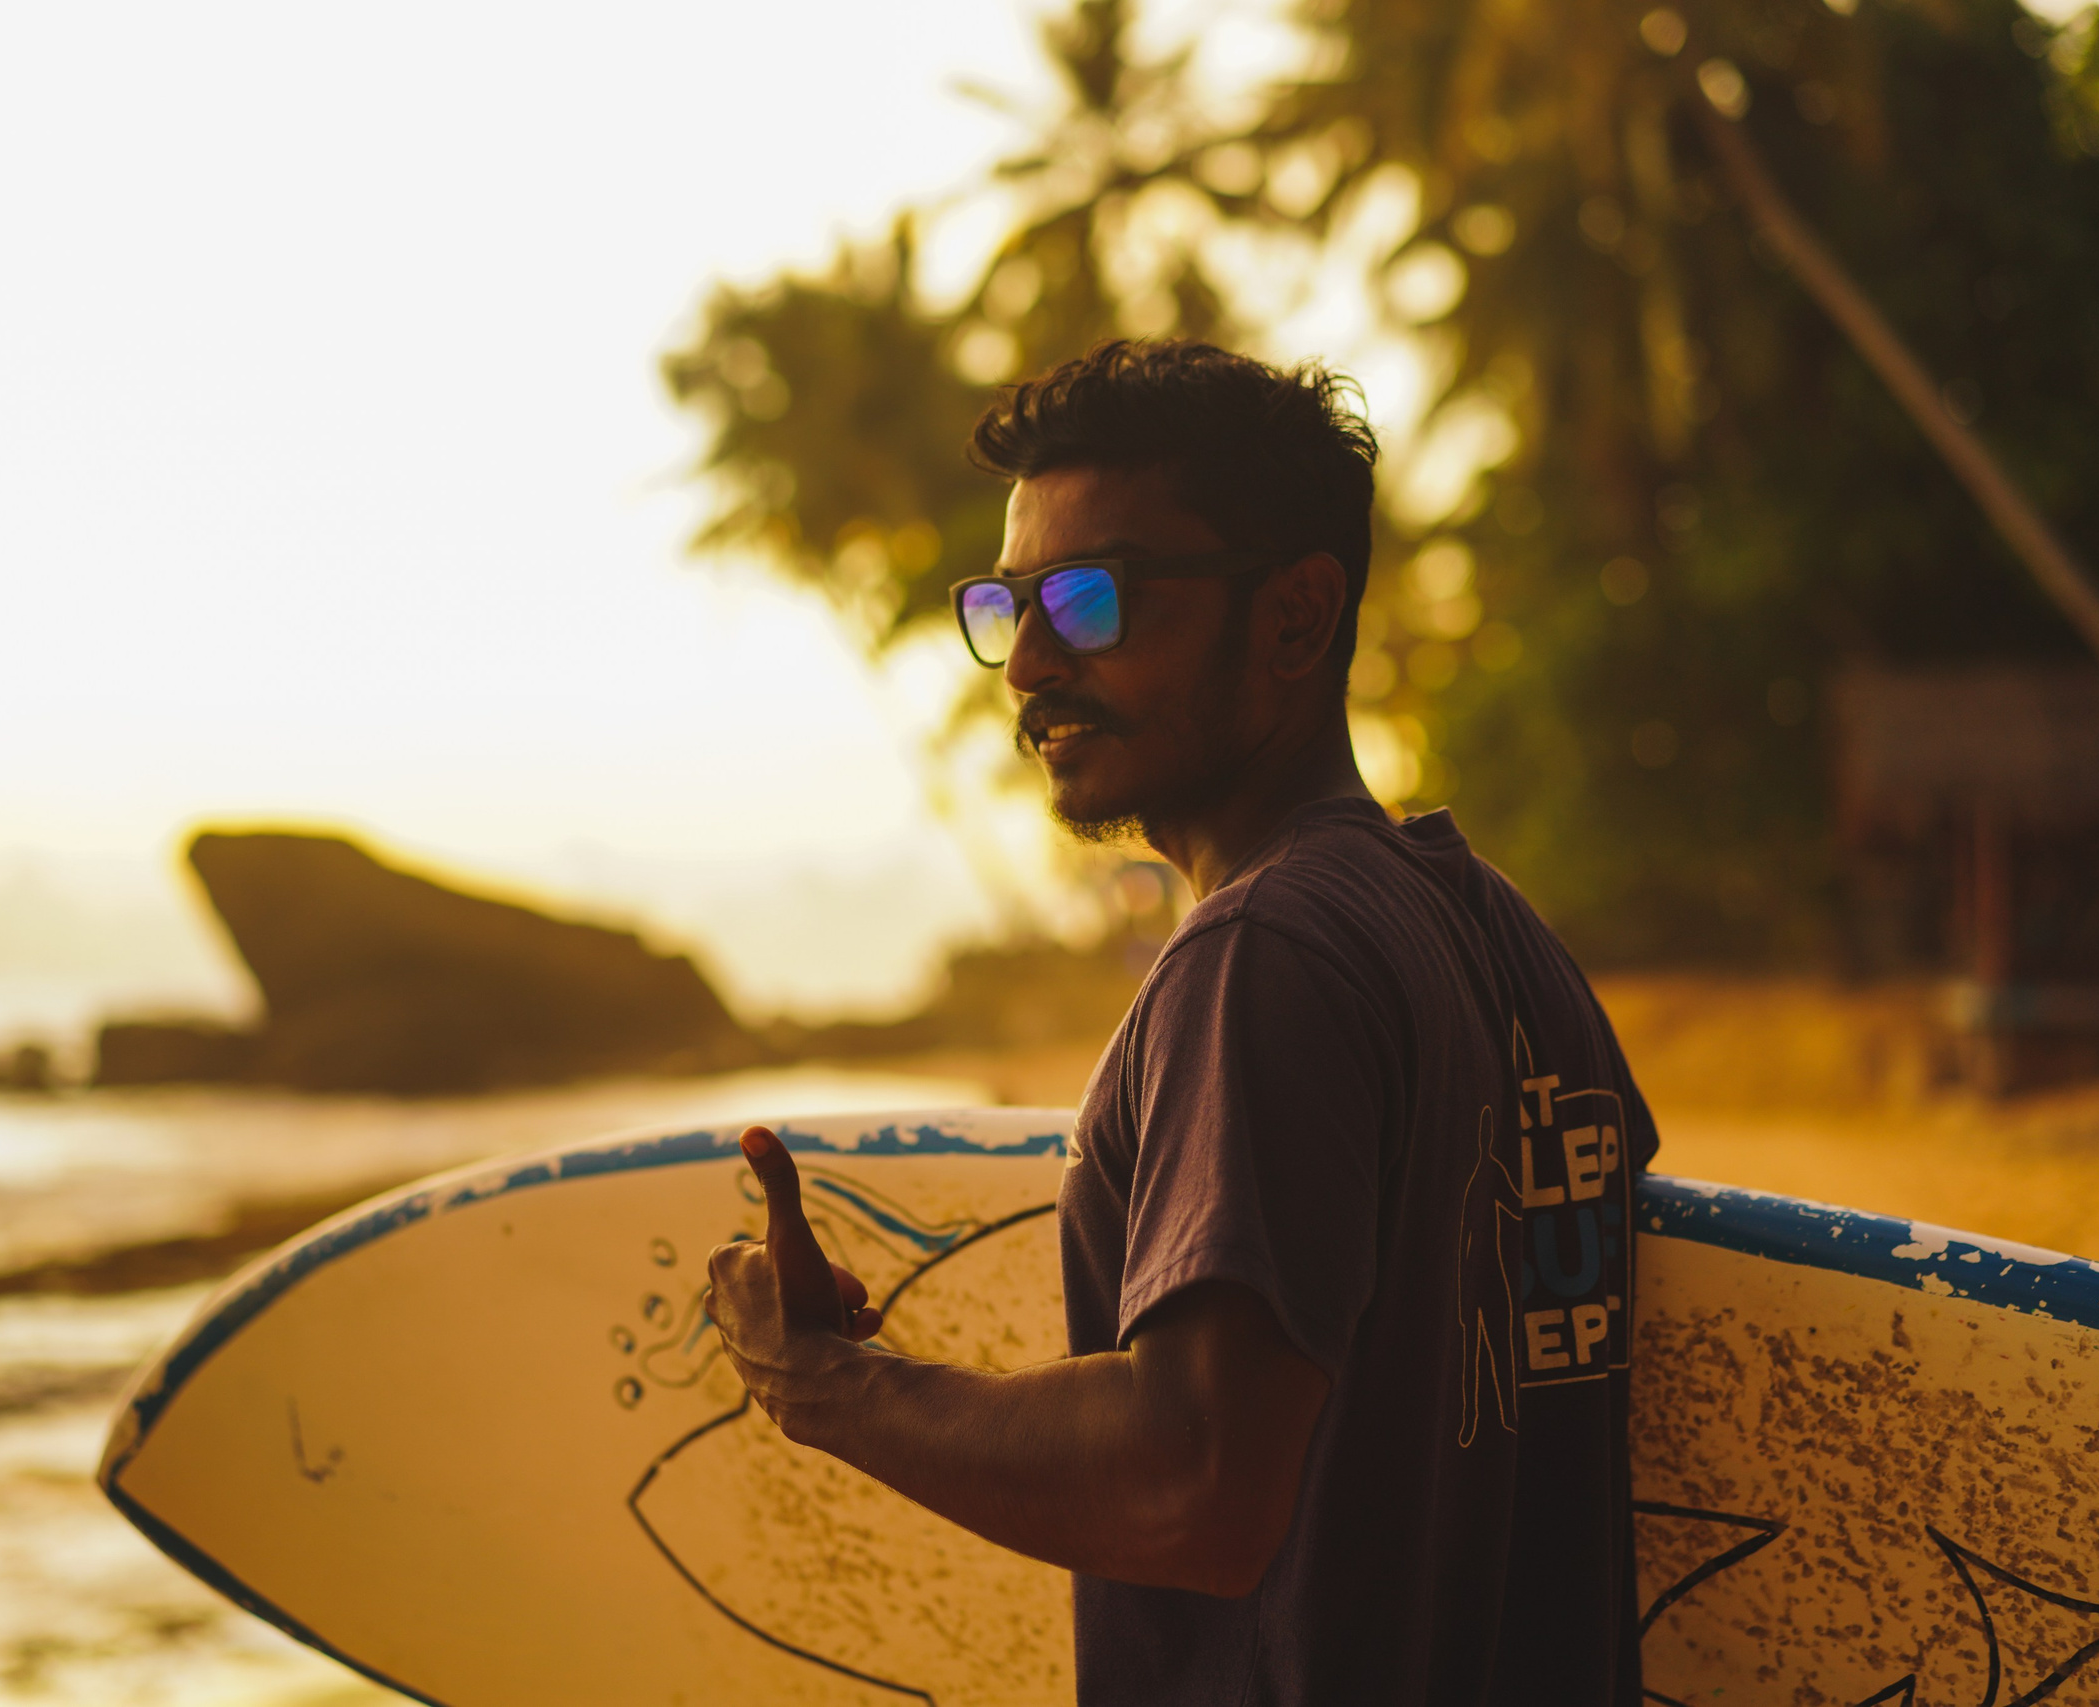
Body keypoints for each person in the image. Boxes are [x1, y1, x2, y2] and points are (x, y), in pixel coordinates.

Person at [706, 339, 1657, 1705]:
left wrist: (826, 1386)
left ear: (1294, 617)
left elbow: (1195, 1487)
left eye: (1092, 599)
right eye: (1008, 606)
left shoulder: (1261, 957)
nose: (1028, 663)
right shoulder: (1500, 937)